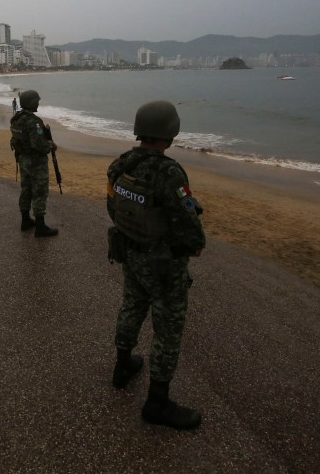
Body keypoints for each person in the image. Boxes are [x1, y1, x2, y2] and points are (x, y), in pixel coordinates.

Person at [106, 100, 206, 430]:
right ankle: (157, 403)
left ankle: (122, 366)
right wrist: (188, 247)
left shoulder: (120, 165)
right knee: (168, 329)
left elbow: (113, 207)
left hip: (130, 252)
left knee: (132, 305)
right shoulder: (170, 173)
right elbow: (190, 229)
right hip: (163, 264)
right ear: (170, 133)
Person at [9, 90, 58, 237]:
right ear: (31, 103)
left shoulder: (16, 119)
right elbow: (38, 144)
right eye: (36, 101)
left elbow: (16, 140)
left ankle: (25, 220)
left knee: (26, 189)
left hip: (23, 159)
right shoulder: (34, 121)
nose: (38, 103)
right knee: (40, 192)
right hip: (36, 162)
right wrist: (50, 145)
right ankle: (40, 226)